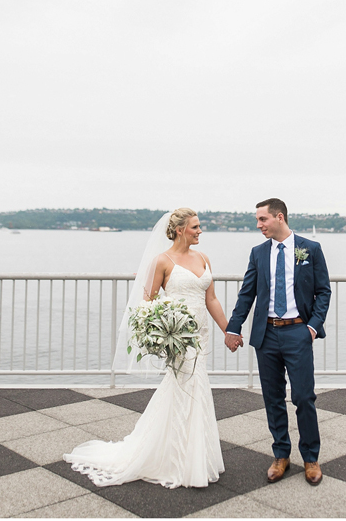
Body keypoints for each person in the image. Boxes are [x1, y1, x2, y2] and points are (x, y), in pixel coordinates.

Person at [64, 208, 228, 488]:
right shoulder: (162, 261)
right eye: (195, 227)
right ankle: (178, 460)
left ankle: (192, 454)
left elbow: (211, 298)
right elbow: (148, 303)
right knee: (186, 388)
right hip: (178, 336)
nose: (200, 231)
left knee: (194, 388)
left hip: (200, 335)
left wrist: (229, 331)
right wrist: (162, 332)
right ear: (179, 230)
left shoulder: (204, 258)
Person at [225, 198, 332, 486]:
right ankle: (281, 454)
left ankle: (311, 458)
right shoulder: (258, 253)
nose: (258, 225)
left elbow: (324, 292)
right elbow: (247, 293)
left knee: (303, 397)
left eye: (262, 219)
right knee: (272, 397)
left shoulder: (310, 249)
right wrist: (233, 328)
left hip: (298, 332)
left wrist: (312, 327)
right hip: (267, 335)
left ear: (279, 217)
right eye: (258, 220)